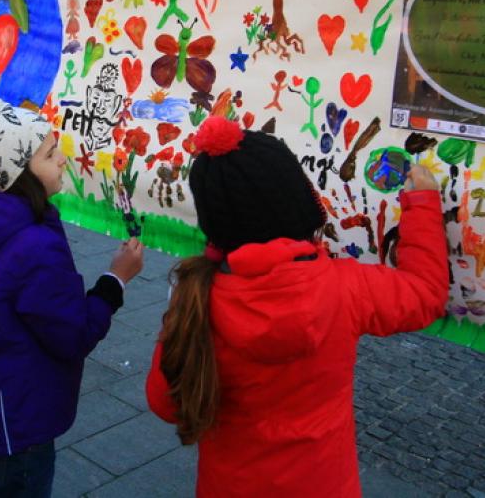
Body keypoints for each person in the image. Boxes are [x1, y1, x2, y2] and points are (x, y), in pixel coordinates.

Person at [145, 116, 449, 498]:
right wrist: (421, 202)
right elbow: (426, 293)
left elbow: (166, 403)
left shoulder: (195, 299)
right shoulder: (345, 287)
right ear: (298, 204)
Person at [0, 99, 144, 497]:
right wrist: (115, 280)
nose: (63, 162)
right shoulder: (32, 245)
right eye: (51, 155)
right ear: (14, 172)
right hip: (17, 417)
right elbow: (73, 334)